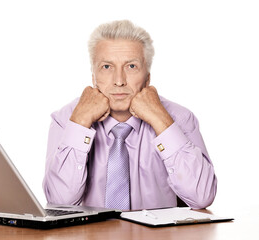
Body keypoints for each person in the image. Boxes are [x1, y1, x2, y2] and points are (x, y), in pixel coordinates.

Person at [43, 20, 217, 210]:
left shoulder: (179, 118)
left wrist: (161, 120)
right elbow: (59, 204)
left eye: (131, 66)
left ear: (147, 77)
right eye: (107, 67)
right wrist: (80, 123)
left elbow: (202, 197)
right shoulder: (66, 119)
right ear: (93, 76)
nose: (119, 81)